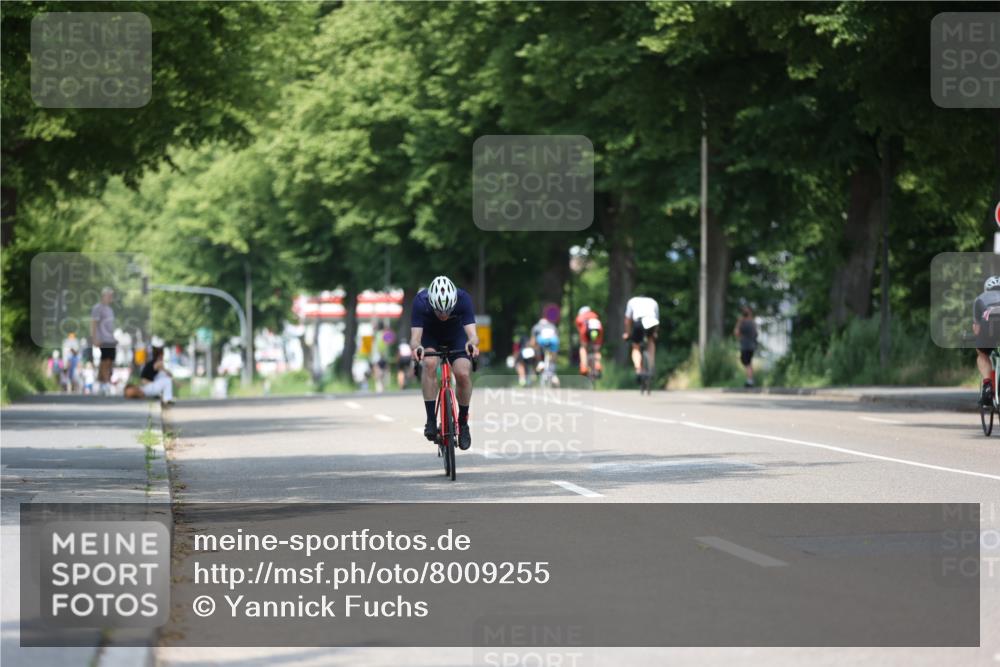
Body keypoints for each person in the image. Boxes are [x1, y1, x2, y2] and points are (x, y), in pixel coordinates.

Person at [410, 275, 479, 450]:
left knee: (463, 373)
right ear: (431, 303)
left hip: (456, 336)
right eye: (439, 311)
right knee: (430, 363)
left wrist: (471, 344)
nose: (443, 315)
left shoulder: (463, 299)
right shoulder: (420, 302)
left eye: (448, 311)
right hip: (430, 336)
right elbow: (415, 339)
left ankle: (463, 422)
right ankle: (431, 420)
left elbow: (473, 336)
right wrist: (418, 348)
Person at [973, 276, 1000, 406]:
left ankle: (988, 385)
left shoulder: (980, 298)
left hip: (990, 327)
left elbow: (977, 329)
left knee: (982, 353)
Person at [622, 295, 660, 382]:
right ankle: (651, 365)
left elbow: (627, 320)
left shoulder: (632, 301)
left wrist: (627, 333)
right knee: (651, 341)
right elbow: (657, 320)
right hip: (652, 321)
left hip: (639, 322)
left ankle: (638, 369)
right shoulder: (653, 301)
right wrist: (655, 333)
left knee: (636, 346)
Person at [90, 287, 117, 395]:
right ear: (103, 296)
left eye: (111, 295)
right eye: (109, 295)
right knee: (105, 361)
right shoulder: (97, 308)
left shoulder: (110, 310)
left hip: (110, 339)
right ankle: (105, 383)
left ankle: (101, 382)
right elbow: (94, 323)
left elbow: (110, 326)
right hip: (102, 339)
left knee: (110, 361)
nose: (111, 297)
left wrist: (114, 337)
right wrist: (94, 338)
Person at [139, 340, 174, 405]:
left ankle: (162, 396)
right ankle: (167, 399)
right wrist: (176, 382)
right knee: (167, 380)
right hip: (148, 388)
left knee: (162, 376)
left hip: (146, 387)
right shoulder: (158, 363)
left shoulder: (151, 363)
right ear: (160, 355)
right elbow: (169, 374)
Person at [530, 314, 560, 386]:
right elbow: (557, 337)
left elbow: (533, 341)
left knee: (536, 348)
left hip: (542, 341)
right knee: (553, 356)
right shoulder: (552, 326)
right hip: (553, 341)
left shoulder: (536, 327)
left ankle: (539, 362)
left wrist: (533, 349)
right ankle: (553, 371)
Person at [574, 306, 604, 377]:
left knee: (583, 348)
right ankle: (597, 365)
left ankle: (584, 366)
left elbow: (580, 329)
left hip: (586, 330)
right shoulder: (594, 315)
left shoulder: (580, 317)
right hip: (598, 329)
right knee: (596, 349)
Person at [733, 305, 758, 388]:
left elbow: (736, 333)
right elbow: (756, 334)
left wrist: (739, 322)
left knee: (746, 363)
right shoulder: (753, 322)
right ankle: (750, 380)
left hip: (746, 346)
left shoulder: (743, 323)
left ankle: (750, 381)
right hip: (752, 346)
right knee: (749, 363)